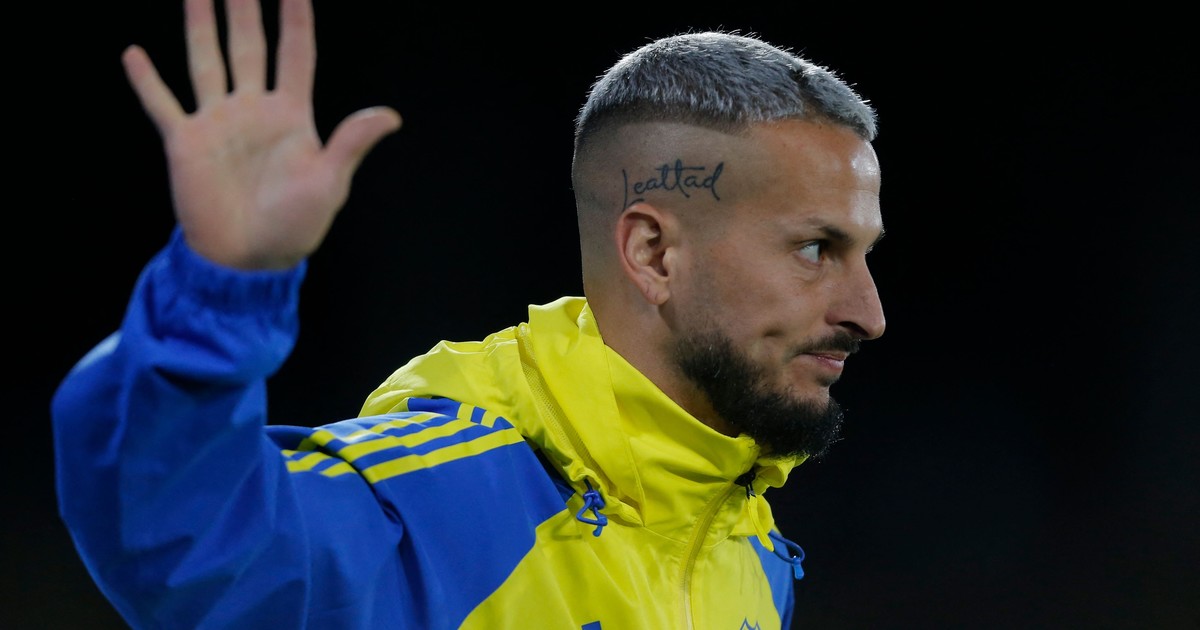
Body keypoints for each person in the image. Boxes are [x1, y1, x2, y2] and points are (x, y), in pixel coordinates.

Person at [51, 0, 886, 627]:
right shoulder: (441, 500)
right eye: (817, 248)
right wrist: (219, 293)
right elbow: (187, 544)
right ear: (655, 254)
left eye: (863, 254)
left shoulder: (750, 546)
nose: (868, 312)